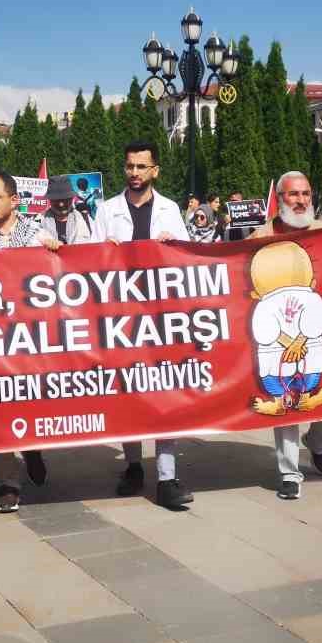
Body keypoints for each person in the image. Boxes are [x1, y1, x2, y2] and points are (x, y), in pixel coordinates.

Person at [248, 170, 322, 500]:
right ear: (280, 199)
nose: (300, 201)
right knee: (286, 402)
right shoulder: (261, 235)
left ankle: (317, 443)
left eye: (306, 194)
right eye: (292, 195)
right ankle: (289, 472)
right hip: (276, 338)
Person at [94, 140, 193, 510]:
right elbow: (86, 263)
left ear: (155, 171)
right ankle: (134, 465)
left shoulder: (169, 210)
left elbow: (189, 260)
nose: (134, 173)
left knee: (164, 392)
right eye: (129, 166)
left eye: (141, 167)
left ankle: (167, 477)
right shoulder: (107, 211)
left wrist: (173, 244)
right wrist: (102, 248)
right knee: (128, 391)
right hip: (121, 317)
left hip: (161, 316)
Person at [0, 170, 60, 511]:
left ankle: (33, 449)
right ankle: (8, 481)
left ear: (14, 200)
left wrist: (55, 251)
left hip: (32, 341)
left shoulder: (37, 234)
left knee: (32, 405)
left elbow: (65, 276)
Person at [41, 175, 97, 245]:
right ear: (50, 200)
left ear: (72, 198)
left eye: (65, 200)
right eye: (57, 200)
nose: (61, 204)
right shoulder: (39, 221)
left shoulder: (86, 219)